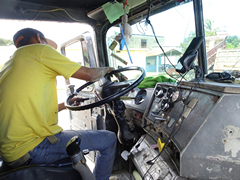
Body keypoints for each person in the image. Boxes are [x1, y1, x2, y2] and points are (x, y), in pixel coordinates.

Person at [0, 28, 117, 180]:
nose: (48, 48)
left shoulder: (9, 64)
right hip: (31, 148)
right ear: (38, 38)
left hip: (11, 150)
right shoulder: (39, 50)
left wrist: (64, 104)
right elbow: (90, 75)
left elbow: (30, 108)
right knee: (109, 139)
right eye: (47, 44)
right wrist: (111, 70)